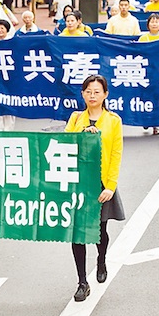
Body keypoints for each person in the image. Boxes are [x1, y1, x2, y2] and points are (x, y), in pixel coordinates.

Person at [65, 74, 124, 301]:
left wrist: (110, 186)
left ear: (105, 95)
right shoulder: (76, 118)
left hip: (100, 184)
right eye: (88, 91)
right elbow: (64, 142)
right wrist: (81, 135)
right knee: (77, 233)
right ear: (82, 94)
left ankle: (101, 260)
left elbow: (116, 153)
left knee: (100, 231)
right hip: (77, 184)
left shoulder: (113, 121)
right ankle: (82, 281)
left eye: (97, 91)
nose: (92, 95)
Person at [139, 14, 159, 135]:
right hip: (146, 72)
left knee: (157, 97)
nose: (154, 24)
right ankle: (146, 119)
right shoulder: (143, 38)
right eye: (152, 22)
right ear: (148, 24)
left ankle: (156, 124)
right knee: (145, 96)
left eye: (156, 22)